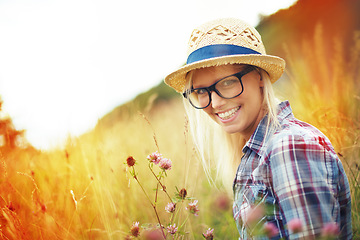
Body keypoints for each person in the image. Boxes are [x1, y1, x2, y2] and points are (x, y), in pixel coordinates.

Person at [164, 18, 352, 239]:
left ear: (259, 77)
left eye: (227, 83)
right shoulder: (255, 152)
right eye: (202, 91)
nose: (214, 104)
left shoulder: (287, 147)